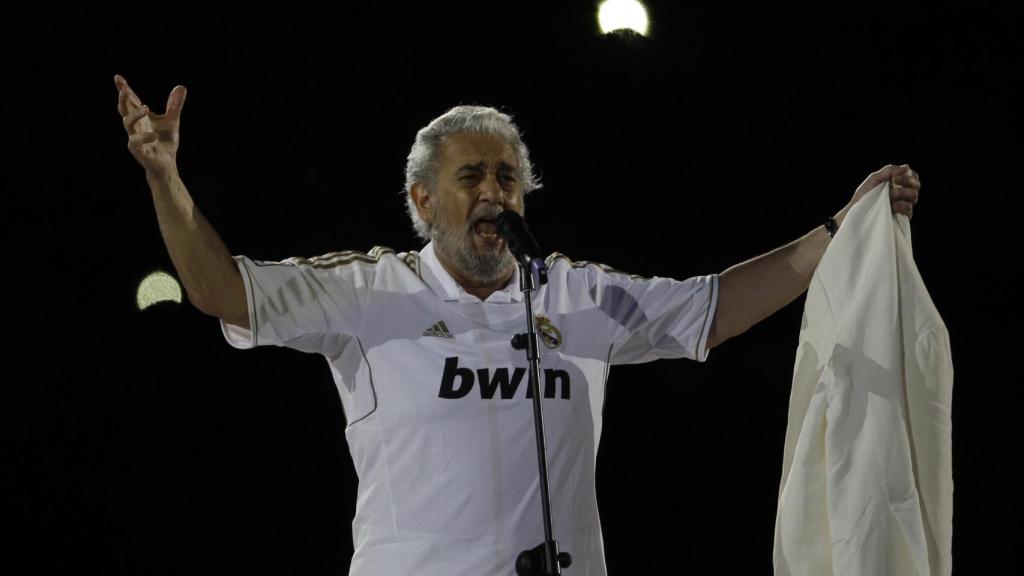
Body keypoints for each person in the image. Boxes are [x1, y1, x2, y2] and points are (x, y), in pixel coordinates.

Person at [114, 75, 920, 575]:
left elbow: (711, 311)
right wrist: (164, 175)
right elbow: (222, 291)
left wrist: (837, 231)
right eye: (471, 176)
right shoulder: (364, 293)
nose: (494, 192)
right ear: (424, 200)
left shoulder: (581, 298)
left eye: (508, 177)